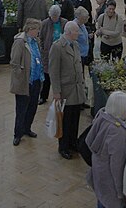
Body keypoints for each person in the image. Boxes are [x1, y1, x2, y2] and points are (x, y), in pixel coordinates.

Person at [86, 90, 126, 208]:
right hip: (111, 186)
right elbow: (117, 165)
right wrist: (121, 192)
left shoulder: (102, 118)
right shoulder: (117, 133)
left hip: (100, 176)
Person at [48, 20, 85, 159]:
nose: (79, 33)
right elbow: (54, 71)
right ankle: (63, 147)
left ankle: (73, 143)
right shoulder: (57, 47)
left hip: (76, 90)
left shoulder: (75, 44)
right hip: (65, 91)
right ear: (69, 32)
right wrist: (56, 91)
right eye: (76, 31)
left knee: (75, 119)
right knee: (65, 120)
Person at [9, 17, 44, 146]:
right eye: (37, 29)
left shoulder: (35, 41)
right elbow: (14, 63)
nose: (38, 32)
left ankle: (27, 128)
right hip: (25, 81)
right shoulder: (20, 42)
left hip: (36, 80)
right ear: (30, 29)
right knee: (21, 109)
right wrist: (21, 75)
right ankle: (17, 134)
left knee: (32, 107)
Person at [39, 4, 67, 104]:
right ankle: (43, 96)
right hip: (48, 52)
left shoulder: (64, 22)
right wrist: (43, 48)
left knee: (60, 74)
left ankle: (61, 95)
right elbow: (41, 37)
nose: (54, 18)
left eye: (56, 16)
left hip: (61, 52)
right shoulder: (45, 23)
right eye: (52, 16)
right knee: (46, 75)